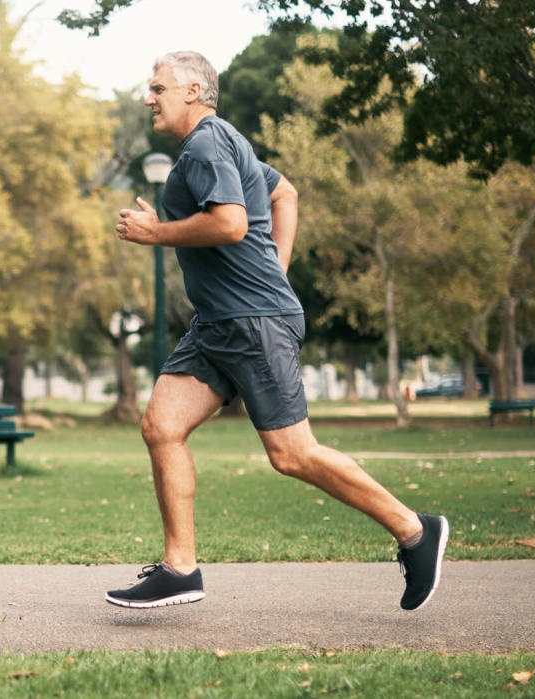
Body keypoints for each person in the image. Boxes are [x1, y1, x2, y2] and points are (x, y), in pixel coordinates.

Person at [107, 51, 447, 612]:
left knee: (291, 454)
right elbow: (283, 192)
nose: (149, 97)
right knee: (161, 425)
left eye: (158, 87)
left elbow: (231, 222)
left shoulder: (208, 143)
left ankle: (415, 530)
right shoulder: (221, 143)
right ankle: (180, 569)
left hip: (253, 323)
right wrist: (276, 269)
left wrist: (157, 233)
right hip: (219, 322)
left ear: (194, 91)